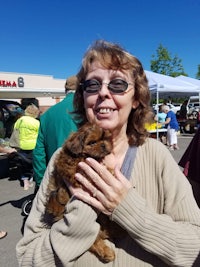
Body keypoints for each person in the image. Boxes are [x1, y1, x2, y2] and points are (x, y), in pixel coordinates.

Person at [16, 40, 200, 267]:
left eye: (118, 84)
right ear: (83, 98)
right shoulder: (60, 159)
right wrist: (80, 215)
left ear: (135, 99)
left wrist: (127, 209)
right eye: (92, 85)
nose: (103, 92)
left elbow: (195, 247)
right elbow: (27, 257)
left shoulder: (157, 157)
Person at [32, 75, 78, 189]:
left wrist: (40, 181)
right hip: (81, 180)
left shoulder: (47, 115)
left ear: (65, 91)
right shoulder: (89, 110)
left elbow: (38, 153)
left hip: (55, 179)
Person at [13, 104, 40, 190]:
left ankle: (25, 182)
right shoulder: (37, 122)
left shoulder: (20, 120)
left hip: (21, 145)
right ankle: (32, 178)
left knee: (23, 164)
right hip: (33, 146)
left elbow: (15, 130)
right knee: (33, 163)